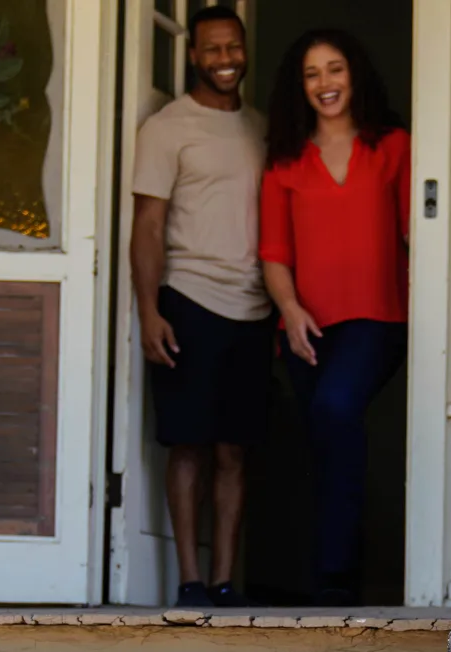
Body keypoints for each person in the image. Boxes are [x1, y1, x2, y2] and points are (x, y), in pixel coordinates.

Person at [259, 28, 410, 607]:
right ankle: (329, 574)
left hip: (377, 318)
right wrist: (291, 311)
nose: (325, 83)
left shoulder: (394, 146)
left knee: (334, 409)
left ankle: (337, 576)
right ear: (299, 87)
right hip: (305, 329)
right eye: (312, 74)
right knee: (323, 445)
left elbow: (416, 233)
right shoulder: (284, 162)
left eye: (335, 69)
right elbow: (274, 253)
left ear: (355, 74)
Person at [130, 5, 273, 608]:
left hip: (255, 307)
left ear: (244, 50)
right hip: (187, 298)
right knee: (188, 444)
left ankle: (224, 580)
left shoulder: (262, 126)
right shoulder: (167, 127)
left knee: (234, 450)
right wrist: (148, 311)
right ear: (194, 55)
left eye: (232, 48)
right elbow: (147, 224)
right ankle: (190, 580)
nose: (224, 61)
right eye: (212, 50)